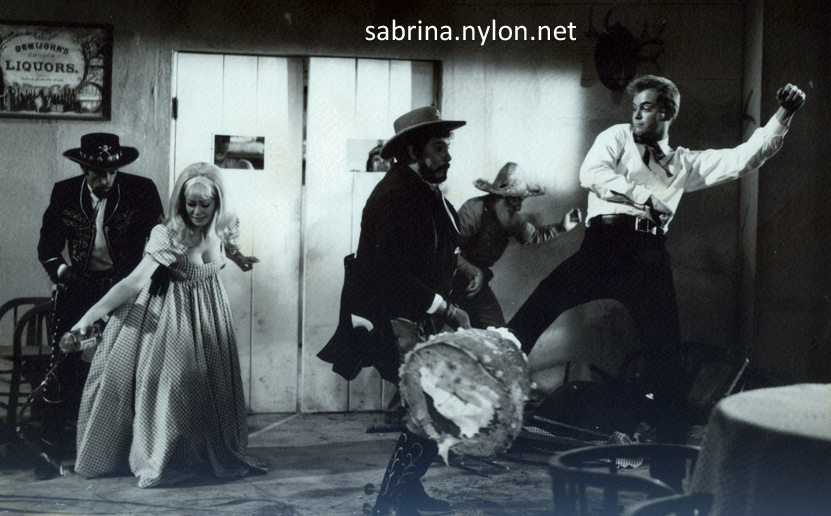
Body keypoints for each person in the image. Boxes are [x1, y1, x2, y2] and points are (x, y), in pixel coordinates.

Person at [507, 76, 806, 447]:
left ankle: (663, 455)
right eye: (634, 108)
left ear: (666, 112)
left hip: (647, 256)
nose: (636, 116)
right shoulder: (617, 137)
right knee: (539, 305)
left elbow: (743, 158)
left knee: (666, 354)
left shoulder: (684, 163)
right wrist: (644, 197)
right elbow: (592, 173)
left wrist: (784, 114)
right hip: (603, 246)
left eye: (645, 108)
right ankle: (488, 393)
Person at [69, 162, 265, 487]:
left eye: (205, 205)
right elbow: (133, 282)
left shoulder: (224, 225)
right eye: (190, 204)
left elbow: (226, 245)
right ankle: (164, 455)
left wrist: (239, 258)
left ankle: (201, 455)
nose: (197, 212)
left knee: (211, 384)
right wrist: (88, 317)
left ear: (218, 204)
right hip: (174, 315)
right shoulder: (170, 234)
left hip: (211, 313)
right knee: (175, 388)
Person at [318, 106, 471, 516]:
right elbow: (385, 271)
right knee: (430, 406)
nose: (448, 156)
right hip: (395, 318)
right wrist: (444, 307)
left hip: (420, 315)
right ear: (413, 151)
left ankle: (406, 491)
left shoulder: (422, 189)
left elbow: (439, 250)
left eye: (447, 147)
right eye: (439, 148)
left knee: (432, 406)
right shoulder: (395, 196)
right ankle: (390, 501)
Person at [35, 132, 164, 479]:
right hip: (78, 290)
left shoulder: (141, 190)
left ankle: (130, 453)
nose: (105, 180)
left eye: (112, 172)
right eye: (97, 173)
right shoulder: (65, 193)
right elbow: (47, 248)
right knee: (64, 367)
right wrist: (65, 274)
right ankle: (50, 452)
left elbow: (158, 243)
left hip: (126, 292)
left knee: (128, 370)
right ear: (83, 168)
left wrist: (146, 287)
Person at [455, 162, 582, 329]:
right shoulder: (473, 210)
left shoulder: (510, 218)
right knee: (432, 330)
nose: (519, 206)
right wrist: (473, 272)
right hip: (447, 278)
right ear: (499, 196)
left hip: (477, 284)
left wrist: (562, 227)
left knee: (498, 334)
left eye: (521, 199)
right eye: (515, 199)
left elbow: (533, 236)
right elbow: (446, 251)